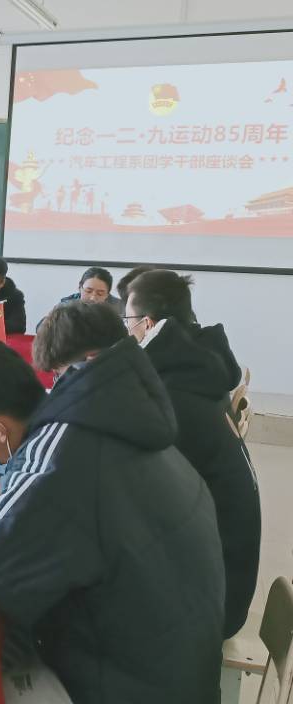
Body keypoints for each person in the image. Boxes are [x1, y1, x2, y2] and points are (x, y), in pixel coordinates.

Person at [0, 312, 225, 704]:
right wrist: (9, 502)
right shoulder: (98, 414)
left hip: (134, 685)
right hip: (177, 662)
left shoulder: (61, 456)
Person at [126, 270, 260, 638]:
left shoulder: (173, 396)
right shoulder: (198, 372)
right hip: (224, 581)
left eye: (127, 320)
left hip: (210, 605)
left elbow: (136, 497)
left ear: (146, 324)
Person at [58, 266, 122, 314]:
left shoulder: (120, 308)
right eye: (88, 291)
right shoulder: (65, 307)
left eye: (100, 294)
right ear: (80, 288)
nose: (93, 298)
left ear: (107, 294)